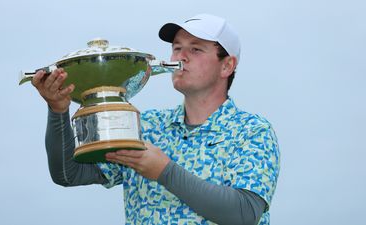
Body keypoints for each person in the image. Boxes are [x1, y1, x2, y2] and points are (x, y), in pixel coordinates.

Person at [33, 14, 280, 225]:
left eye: (195, 49)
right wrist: (58, 111)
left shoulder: (252, 130)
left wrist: (164, 171)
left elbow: (244, 213)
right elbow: (68, 174)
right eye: (177, 47)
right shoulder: (147, 127)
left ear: (227, 66)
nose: (181, 56)